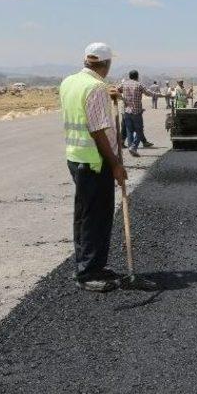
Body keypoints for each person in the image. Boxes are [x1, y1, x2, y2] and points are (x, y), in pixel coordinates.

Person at [59, 42, 127, 292]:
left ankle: (90, 265)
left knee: (85, 215)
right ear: (107, 64)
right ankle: (88, 273)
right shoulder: (96, 87)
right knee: (96, 217)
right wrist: (116, 165)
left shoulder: (69, 82)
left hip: (76, 157)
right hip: (95, 161)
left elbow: (83, 111)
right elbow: (98, 131)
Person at [117, 70, 155, 157]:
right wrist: (161, 95)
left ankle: (131, 148)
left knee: (129, 131)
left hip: (126, 112)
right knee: (139, 130)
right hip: (136, 112)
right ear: (137, 76)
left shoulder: (124, 84)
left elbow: (116, 90)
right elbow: (148, 93)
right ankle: (133, 147)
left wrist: (122, 98)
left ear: (129, 76)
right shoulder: (139, 84)